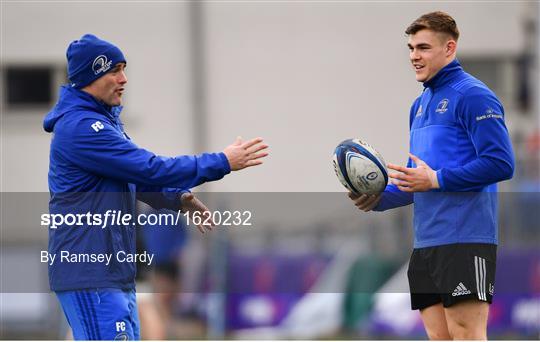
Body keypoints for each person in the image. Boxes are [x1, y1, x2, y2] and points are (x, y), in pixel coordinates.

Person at [43, 34, 268, 340]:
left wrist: (177, 199)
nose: (124, 79)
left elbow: (135, 179)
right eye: (114, 71)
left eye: (124, 69)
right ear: (90, 75)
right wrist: (223, 161)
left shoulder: (103, 122)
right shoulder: (83, 127)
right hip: (91, 274)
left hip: (110, 273)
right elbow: (150, 167)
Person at [349, 12, 514, 340]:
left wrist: (436, 179)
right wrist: (378, 198)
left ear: (449, 48)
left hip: (466, 239)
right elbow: (419, 181)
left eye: (423, 47)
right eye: (411, 48)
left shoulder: (473, 96)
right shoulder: (419, 105)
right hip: (426, 244)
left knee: (466, 333)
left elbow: (500, 163)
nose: (414, 56)